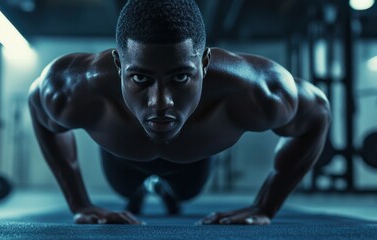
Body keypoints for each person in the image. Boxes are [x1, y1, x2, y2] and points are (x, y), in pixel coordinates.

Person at [28, 0, 331, 225]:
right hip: (123, 161)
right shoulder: (71, 88)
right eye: (141, 79)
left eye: (180, 78)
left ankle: (166, 193)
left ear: (205, 63)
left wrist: (266, 206)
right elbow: (37, 105)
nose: (160, 103)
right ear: (119, 64)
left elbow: (317, 112)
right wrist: (79, 203)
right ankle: (143, 193)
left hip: (193, 164)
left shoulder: (259, 90)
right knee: (127, 193)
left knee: (183, 195)